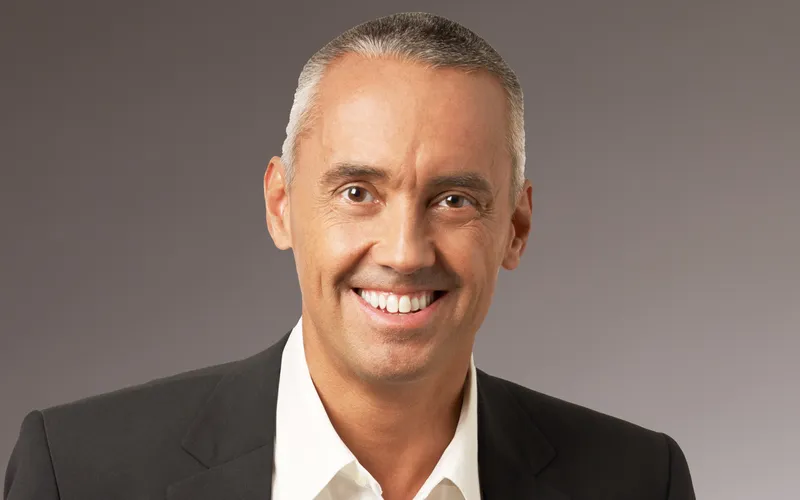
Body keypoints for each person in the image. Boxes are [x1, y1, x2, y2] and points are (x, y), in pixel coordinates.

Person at [4, 12, 695, 500]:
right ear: (281, 205)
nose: (404, 252)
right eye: (358, 192)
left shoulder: (639, 482)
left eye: (454, 200)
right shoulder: (79, 474)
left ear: (515, 227)